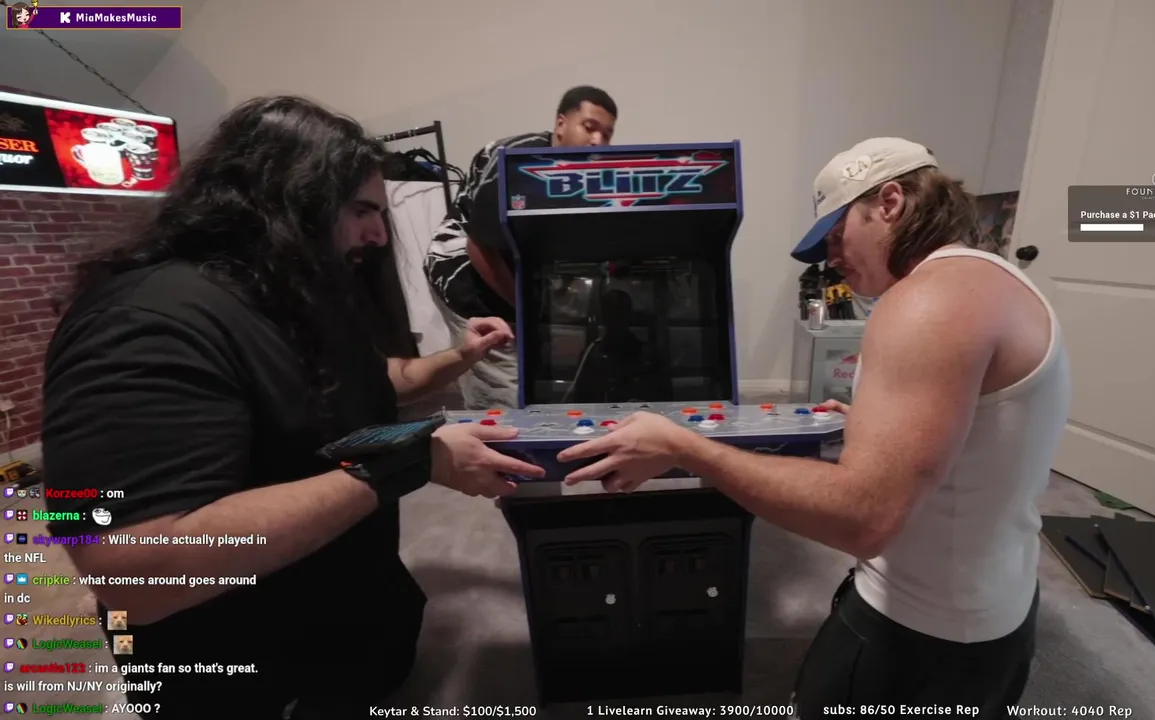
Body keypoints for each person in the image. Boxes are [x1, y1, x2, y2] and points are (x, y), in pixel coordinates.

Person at [39, 96, 545, 720]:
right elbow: (134, 574)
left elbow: (364, 382)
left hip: (350, 646)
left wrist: (461, 356)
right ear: (291, 197)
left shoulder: (289, 295)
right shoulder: (141, 321)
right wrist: (409, 461)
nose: (378, 235)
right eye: (362, 211)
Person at [555, 137, 1070, 719]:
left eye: (836, 233)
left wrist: (685, 448)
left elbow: (862, 517)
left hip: (921, 634)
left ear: (890, 202)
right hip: (997, 615)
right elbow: (984, 437)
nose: (830, 258)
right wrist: (882, 426)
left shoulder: (928, 301)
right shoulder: (1000, 282)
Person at [426, 85, 619, 409]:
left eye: (607, 134)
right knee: (504, 393)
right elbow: (479, 247)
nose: (598, 140)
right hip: (466, 276)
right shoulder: (518, 163)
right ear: (561, 123)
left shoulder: (580, 172)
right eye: (589, 127)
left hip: (508, 273)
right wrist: (526, 310)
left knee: (531, 376)